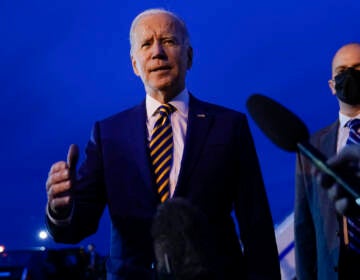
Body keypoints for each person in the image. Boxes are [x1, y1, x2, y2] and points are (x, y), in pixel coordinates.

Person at [45, 8, 280, 280]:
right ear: (135, 64)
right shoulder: (107, 134)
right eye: (146, 44)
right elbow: (76, 227)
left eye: (169, 41)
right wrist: (59, 209)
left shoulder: (229, 126)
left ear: (189, 56)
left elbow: (256, 226)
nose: (157, 52)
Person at [295, 42, 360, 279]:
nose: (350, 76)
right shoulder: (312, 147)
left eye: (358, 68)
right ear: (332, 86)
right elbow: (304, 226)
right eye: (342, 72)